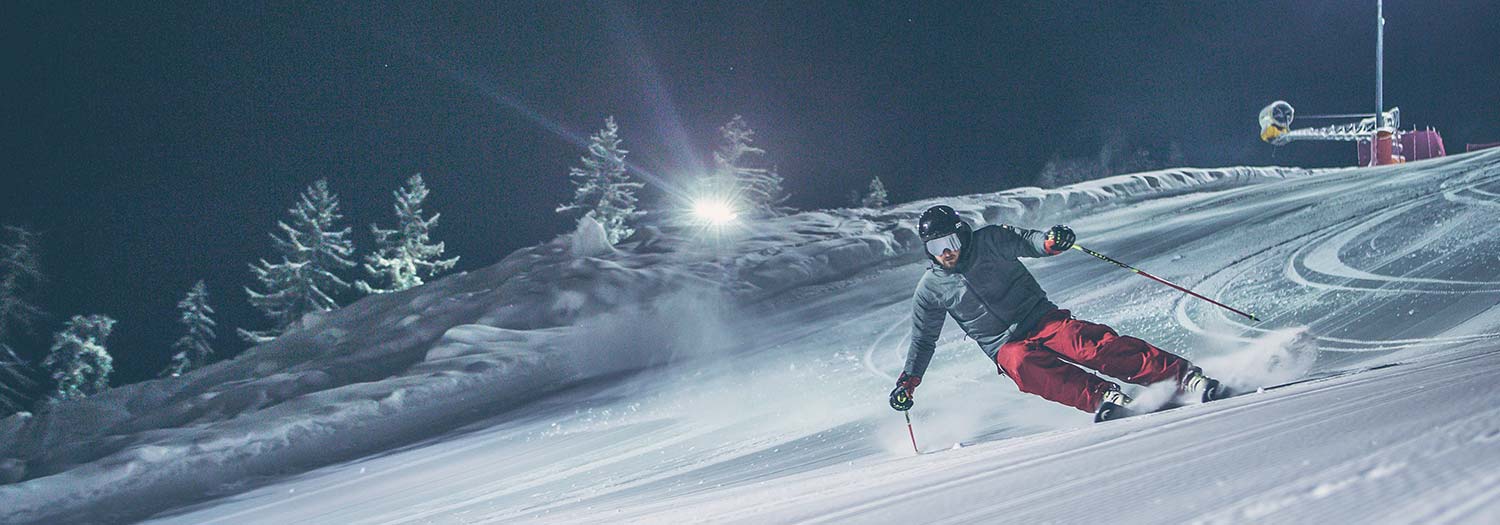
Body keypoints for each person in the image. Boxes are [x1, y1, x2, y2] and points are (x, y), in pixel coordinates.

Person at [888, 205, 1223, 421]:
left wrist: (1050, 242)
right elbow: (923, 340)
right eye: (935, 247)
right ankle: (1104, 396)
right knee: (1023, 365)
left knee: (1088, 345)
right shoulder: (930, 288)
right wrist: (909, 382)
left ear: (961, 233)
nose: (945, 252)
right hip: (1002, 345)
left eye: (948, 241)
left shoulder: (989, 240)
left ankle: (1184, 378)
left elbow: (1028, 241)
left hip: (1040, 318)